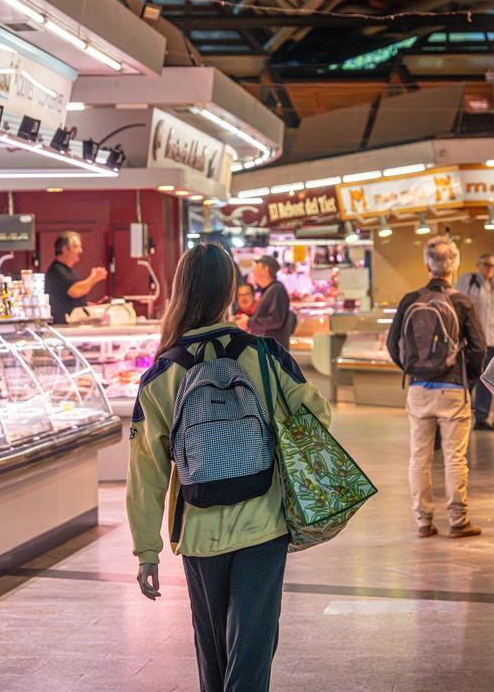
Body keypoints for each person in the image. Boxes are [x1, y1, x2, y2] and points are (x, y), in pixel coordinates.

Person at [128, 244, 331, 692]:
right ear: (229, 291)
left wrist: (147, 550)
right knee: (252, 653)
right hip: (263, 525)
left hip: (199, 533)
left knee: (213, 655)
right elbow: (318, 414)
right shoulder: (263, 354)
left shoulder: (162, 372)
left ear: (181, 291)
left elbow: (146, 472)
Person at [386, 236, 487, 539]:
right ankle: (458, 520)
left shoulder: (409, 300)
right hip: (453, 388)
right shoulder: (462, 302)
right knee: (455, 456)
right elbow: (480, 348)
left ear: (427, 265)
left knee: (420, 456)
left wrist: (412, 369)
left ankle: (423, 520)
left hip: (418, 389)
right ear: (454, 265)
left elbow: (393, 344)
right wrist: (467, 375)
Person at [456, 253, 494, 431]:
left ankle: (482, 417)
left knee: (486, 380)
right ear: (479, 265)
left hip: (491, 339)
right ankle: (462, 413)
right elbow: (459, 304)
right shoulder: (469, 281)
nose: (490, 269)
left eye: (492, 265)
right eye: (486, 265)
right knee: (469, 377)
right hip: (473, 339)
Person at [45, 230, 108, 324]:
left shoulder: (68, 271)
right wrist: (94, 278)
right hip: (62, 326)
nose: (80, 250)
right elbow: (75, 291)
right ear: (65, 249)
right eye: (76, 247)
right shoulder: (57, 271)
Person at [234, 255, 295, 347]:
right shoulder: (271, 289)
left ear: (265, 269)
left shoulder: (276, 289)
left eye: (257, 265)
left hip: (273, 350)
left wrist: (248, 322)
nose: (253, 270)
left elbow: (276, 320)